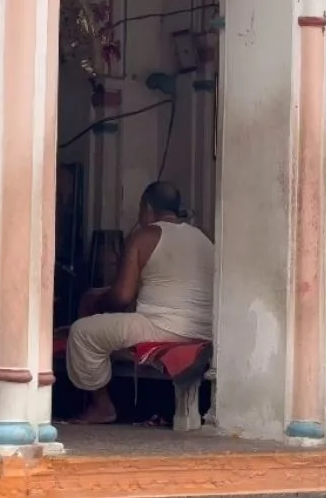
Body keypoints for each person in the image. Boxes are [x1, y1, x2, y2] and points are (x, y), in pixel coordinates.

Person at [65, 181, 214, 424]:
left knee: (82, 333)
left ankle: (102, 406)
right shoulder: (204, 236)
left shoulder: (145, 235)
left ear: (146, 208)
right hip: (205, 329)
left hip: (163, 328)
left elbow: (121, 297)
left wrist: (96, 299)